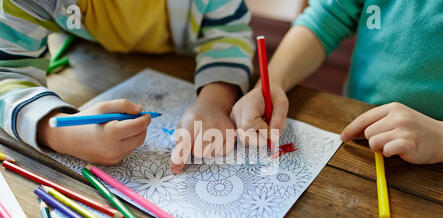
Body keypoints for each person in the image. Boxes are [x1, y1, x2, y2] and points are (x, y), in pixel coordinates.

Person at [0, 0, 254, 171]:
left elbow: (227, 33)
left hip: (184, 59)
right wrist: (55, 131)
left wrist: (215, 102)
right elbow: (6, 72)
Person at [231, 0, 443, 164]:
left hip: (437, 158)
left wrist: (442, 139)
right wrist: (274, 81)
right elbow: (328, 17)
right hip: (359, 128)